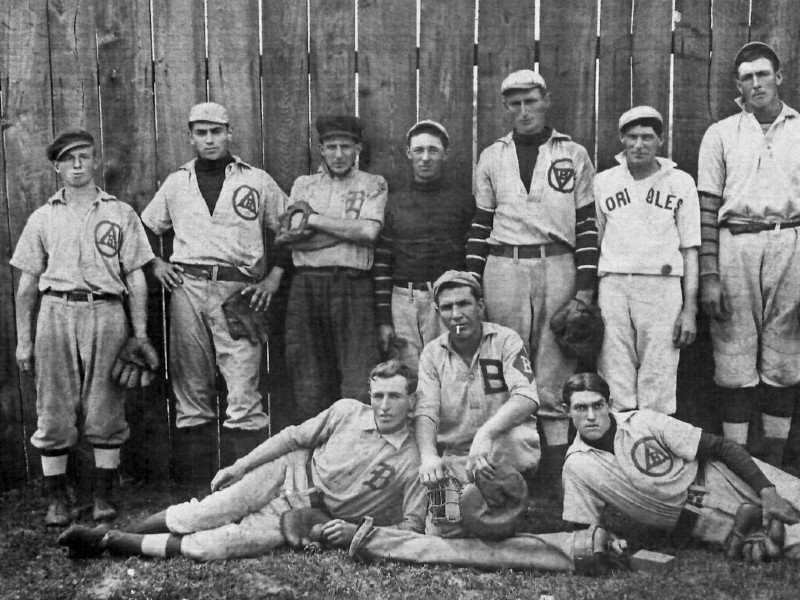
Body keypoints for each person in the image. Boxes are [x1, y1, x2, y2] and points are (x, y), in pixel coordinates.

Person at [57, 361, 427, 561]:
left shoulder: (416, 459)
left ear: (412, 401)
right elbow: (291, 437)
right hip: (289, 472)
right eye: (378, 395)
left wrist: (356, 531)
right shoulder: (348, 411)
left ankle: (115, 542)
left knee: (216, 546)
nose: (383, 405)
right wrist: (242, 465)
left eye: (394, 397)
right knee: (206, 512)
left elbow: (412, 523)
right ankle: (97, 536)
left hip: (314, 515)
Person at [11, 129, 157, 525]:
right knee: (54, 409)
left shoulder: (120, 213)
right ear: (56, 167)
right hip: (55, 311)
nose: (77, 165)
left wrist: (140, 333)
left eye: (84, 157)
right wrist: (24, 340)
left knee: (106, 406)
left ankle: (103, 496)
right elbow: (26, 286)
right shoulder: (43, 217)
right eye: (69, 159)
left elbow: (137, 277)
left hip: (107, 312)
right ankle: (57, 499)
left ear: (95, 161)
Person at [140, 102, 288, 489]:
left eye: (216, 132)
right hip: (186, 286)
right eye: (201, 133)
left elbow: (289, 230)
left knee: (242, 388)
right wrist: (156, 264)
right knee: (191, 389)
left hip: (238, 290)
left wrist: (273, 277)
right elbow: (142, 228)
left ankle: (244, 491)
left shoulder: (256, 180)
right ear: (190, 136)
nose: (209, 139)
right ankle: (196, 493)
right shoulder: (177, 183)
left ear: (229, 133)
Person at [467, 69, 599, 487]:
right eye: (515, 103)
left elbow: (588, 226)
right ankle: (509, 473)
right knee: (505, 366)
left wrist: (585, 289)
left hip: (557, 262)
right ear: (506, 107)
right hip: (504, 265)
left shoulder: (573, 153)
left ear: (545, 101)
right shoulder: (492, 155)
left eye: (531, 101)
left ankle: (558, 479)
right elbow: (479, 227)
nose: (523, 111)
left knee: (555, 370)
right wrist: (473, 284)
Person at [560, 372, 800, 562]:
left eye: (598, 405)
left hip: (723, 477)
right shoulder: (576, 465)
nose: (591, 416)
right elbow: (584, 527)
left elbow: (721, 447)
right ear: (566, 411)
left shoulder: (643, 421)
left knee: (793, 499)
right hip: (701, 522)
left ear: (610, 404)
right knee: (784, 545)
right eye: (581, 408)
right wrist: (608, 539)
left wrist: (768, 492)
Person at [697, 42, 800, 467]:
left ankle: (775, 465)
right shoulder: (721, 133)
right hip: (735, 244)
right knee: (734, 358)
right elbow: (706, 207)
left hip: (792, 241)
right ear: (737, 85)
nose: (755, 83)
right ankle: (739, 466)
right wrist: (708, 275)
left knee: (785, 355)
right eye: (747, 77)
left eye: (762, 74)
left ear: (778, 77)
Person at [415, 270, 541, 536]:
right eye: (447, 307)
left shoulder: (506, 340)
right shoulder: (432, 353)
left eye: (463, 304)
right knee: (441, 531)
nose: (456, 313)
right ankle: (476, 514)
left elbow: (527, 397)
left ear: (480, 306)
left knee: (514, 441)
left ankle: (505, 506)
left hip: (499, 448)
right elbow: (426, 410)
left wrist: (486, 433)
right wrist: (428, 455)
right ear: (439, 313)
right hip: (456, 458)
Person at [594, 106, 700, 414]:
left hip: (663, 286)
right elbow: (596, 242)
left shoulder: (681, 182)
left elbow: (690, 250)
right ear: (621, 139)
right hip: (614, 284)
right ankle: (621, 450)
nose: (639, 144)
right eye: (632, 137)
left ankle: (653, 452)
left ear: (660, 141)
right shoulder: (604, 181)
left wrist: (690, 309)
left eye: (647, 137)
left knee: (659, 375)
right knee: (615, 375)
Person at [281, 115, 388, 422]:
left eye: (345, 146)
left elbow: (369, 234)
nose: (338, 154)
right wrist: (348, 231)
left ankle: (355, 456)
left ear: (358, 148)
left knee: (358, 378)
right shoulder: (305, 185)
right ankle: (317, 462)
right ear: (321, 149)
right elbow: (290, 239)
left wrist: (313, 221)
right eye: (331, 147)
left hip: (353, 286)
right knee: (309, 380)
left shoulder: (373, 183)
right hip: (307, 287)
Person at [372, 120, 475, 370]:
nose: (425, 158)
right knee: (407, 375)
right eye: (419, 150)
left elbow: (472, 257)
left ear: (445, 154)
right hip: (403, 303)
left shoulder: (462, 200)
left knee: (452, 371)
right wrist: (385, 319)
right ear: (409, 153)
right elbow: (383, 262)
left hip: (446, 301)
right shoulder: (394, 202)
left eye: (433, 150)